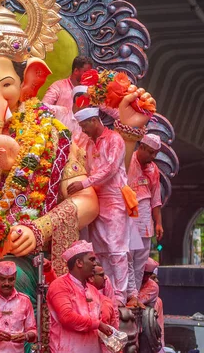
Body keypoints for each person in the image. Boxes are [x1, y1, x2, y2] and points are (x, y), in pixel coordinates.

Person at [69, 107, 132, 306]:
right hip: (95, 200)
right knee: (100, 251)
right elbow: (86, 169)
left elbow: (110, 168)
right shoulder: (88, 144)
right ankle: (106, 294)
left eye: (84, 125)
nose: (83, 130)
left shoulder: (115, 139)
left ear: (94, 121)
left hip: (114, 199)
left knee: (116, 250)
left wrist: (84, 183)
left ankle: (121, 296)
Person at [47, 240, 113, 353]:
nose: (95, 264)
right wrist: (97, 324)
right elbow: (66, 317)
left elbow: (103, 314)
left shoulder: (93, 290)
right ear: (79, 263)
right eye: (91, 259)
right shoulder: (60, 285)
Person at [127, 134, 163, 292]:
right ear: (141, 147)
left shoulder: (154, 169)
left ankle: (136, 295)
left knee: (140, 261)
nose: (153, 156)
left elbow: (156, 199)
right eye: (150, 152)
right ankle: (130, 294)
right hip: (129, 217)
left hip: (146, 221)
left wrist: (159, 223)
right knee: (128, 256)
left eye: (155, 153)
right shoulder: (128, 160)